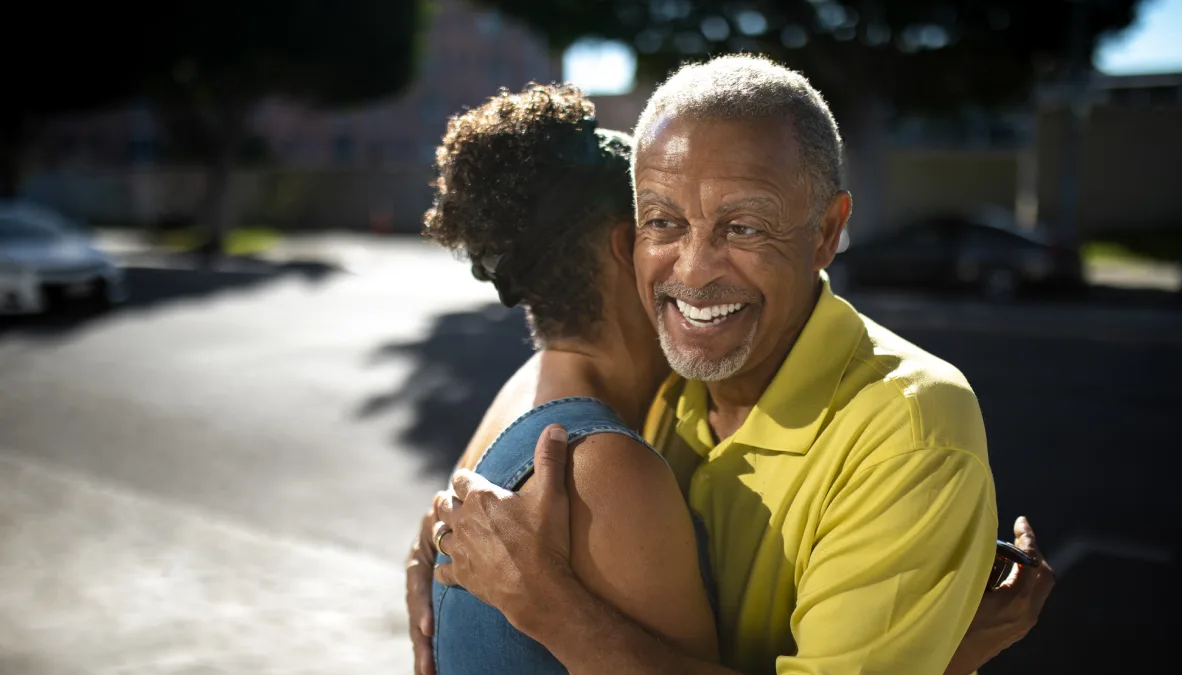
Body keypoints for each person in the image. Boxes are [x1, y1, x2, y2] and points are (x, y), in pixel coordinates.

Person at [410, 58, 1056, 675]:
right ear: (628, 243)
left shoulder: (909, 426)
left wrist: (551, 608)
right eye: (661, 221)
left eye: (744, 226)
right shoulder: (661, 388)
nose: (693, 270)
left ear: (827, 231)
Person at [418, 84, 720, 675]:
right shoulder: (599, 468)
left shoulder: (516, 403)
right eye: (666, 224)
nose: (693, 255)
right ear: (626, 246)